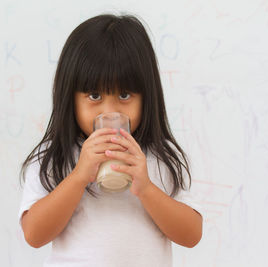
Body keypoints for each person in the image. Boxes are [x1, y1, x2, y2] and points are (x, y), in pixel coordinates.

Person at [18, 13, 203, 267]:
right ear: (70, 98)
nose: (110, 111)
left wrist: (147, 189)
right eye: (94, 96)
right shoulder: (56, 156)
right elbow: (34, 234)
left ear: (147, 97)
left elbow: (192, 235)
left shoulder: (160, 156)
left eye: (125, 95)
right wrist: (79, 177)